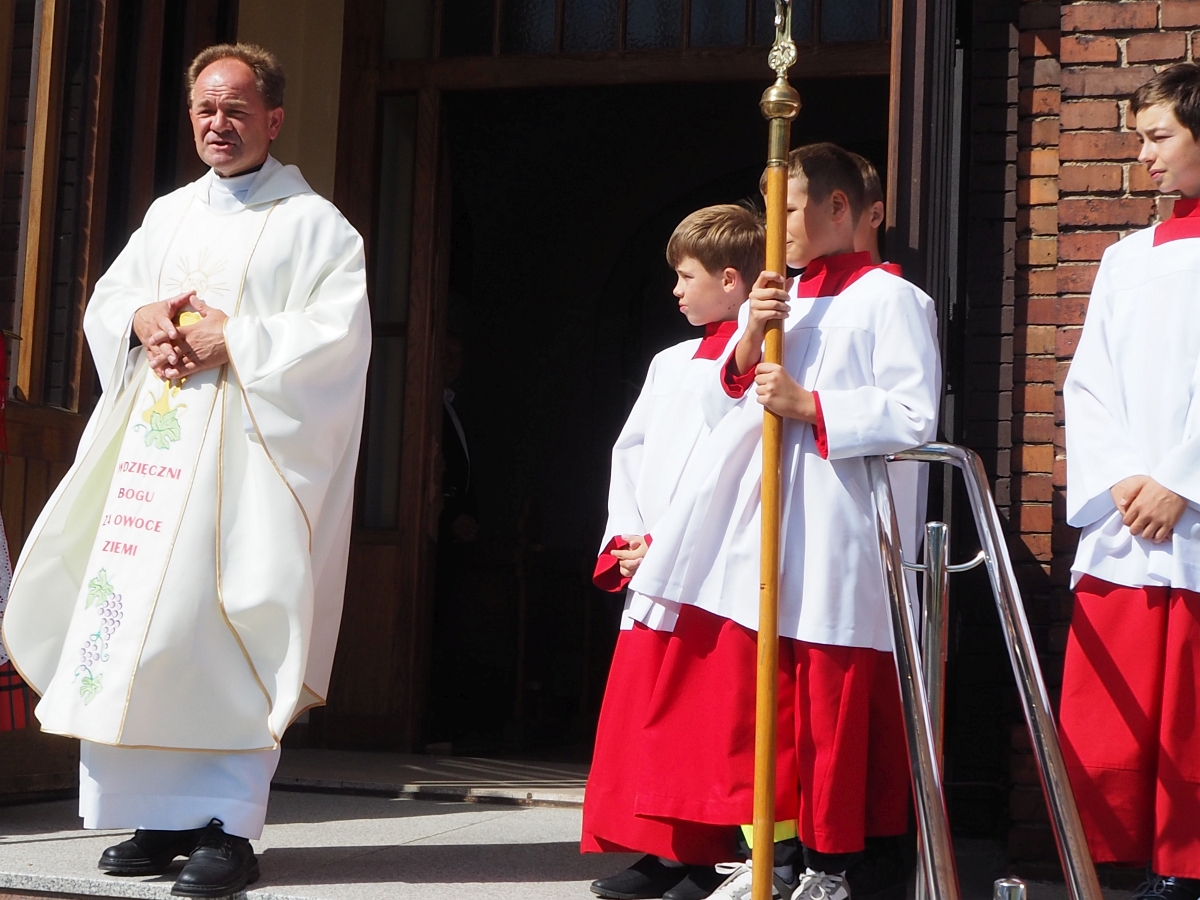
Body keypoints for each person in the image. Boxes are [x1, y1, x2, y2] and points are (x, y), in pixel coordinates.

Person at [0, 43, 370, 897]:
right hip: (153, 464)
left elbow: (339, 336)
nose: (218, 123)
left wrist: (233, 338)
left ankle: (227, 828)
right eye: (206, 108)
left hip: (247, 469)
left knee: (223, 627)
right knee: (140, 627)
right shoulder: (168, 214)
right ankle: (158, 815)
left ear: (273, 120)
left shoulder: (316, 226)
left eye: (236, 109)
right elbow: (110, 300)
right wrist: (143, 320)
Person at [630, 142, 940, 900]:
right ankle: (779, 855)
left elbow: (914, 414)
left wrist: (811, 406)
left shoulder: (893, 299)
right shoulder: (779, 299)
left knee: (832, 705)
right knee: (770, 703)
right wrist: (746, 339)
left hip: (841, 526)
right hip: (767, 527)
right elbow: (720, 411)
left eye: (789, 209)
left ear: (838, 207)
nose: (775, 228)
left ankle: (840, 866)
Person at [584, 204, 765, 900]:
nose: (675, 290)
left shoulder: (760, 358)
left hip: (712, 567)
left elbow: (736, 472)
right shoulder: (668, 364)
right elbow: (628, 453)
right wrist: (627, 538)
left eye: (686, 276)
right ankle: (662, 852)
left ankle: (707, 856)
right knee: (648, 723)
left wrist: (666, 544)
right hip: (652, 565)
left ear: (731, 280)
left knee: (703, 726)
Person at [1060, 62, 1200, 900]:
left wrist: (1183, 480)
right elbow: (1088, 382)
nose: (1143, 155)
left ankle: (1186, 867)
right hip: (1129, 521)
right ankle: (1123, 860)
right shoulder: (1125, 259)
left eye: (1158, 137)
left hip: (1192, 513)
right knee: (1116, 714)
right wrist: (1120, 476)